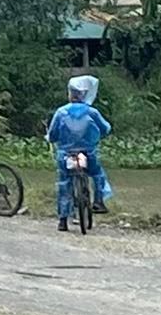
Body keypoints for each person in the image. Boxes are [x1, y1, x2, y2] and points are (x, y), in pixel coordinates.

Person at [46, 77, 113, 230]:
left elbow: (52, 135)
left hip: (66, 154)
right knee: (97, 174)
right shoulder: (92, 112)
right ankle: (98, 201)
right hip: (89, 153)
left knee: (64, 183)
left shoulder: (61, 112)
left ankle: (63, 220)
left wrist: (52, 138)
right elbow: (105, 128)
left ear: (70, 94)